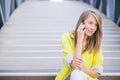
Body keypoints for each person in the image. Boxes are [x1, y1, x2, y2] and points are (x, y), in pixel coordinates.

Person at [55, 9, 103, 80]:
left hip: (87, 78)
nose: (93, 28)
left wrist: (83, 68)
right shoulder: (66, 37)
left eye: (96, 25)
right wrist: (80, 40)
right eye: (90, 23)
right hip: (69, 77)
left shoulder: (96, 43)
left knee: (77, 73)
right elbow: (75, 66)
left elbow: (96, 74)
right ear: (82, 23)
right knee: (76, 73)